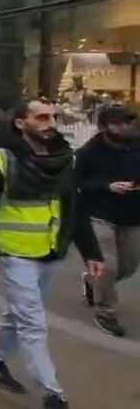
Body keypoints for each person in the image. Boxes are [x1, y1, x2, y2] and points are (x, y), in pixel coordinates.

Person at [0, 99, 102, 409]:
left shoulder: (63, 159)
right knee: (32, 321)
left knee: (19, 312)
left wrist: (91, 252)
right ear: (20, 122)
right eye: (41, 117)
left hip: (51, 251)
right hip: (14, 252)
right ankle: (53, 393)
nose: (50, 123)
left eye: (53, 117)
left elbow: (74, 209)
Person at [73, 104, 140, 338]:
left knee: (129, 266)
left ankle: (93, 281)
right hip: (99, 214)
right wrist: (106, 186)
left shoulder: (136, 146)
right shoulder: (89, 152)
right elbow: (77, 182)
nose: (123, 127)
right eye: (117, 122)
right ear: (104, 126)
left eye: (126, 122)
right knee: (108, 265)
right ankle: (106, 311)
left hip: (132, 215)